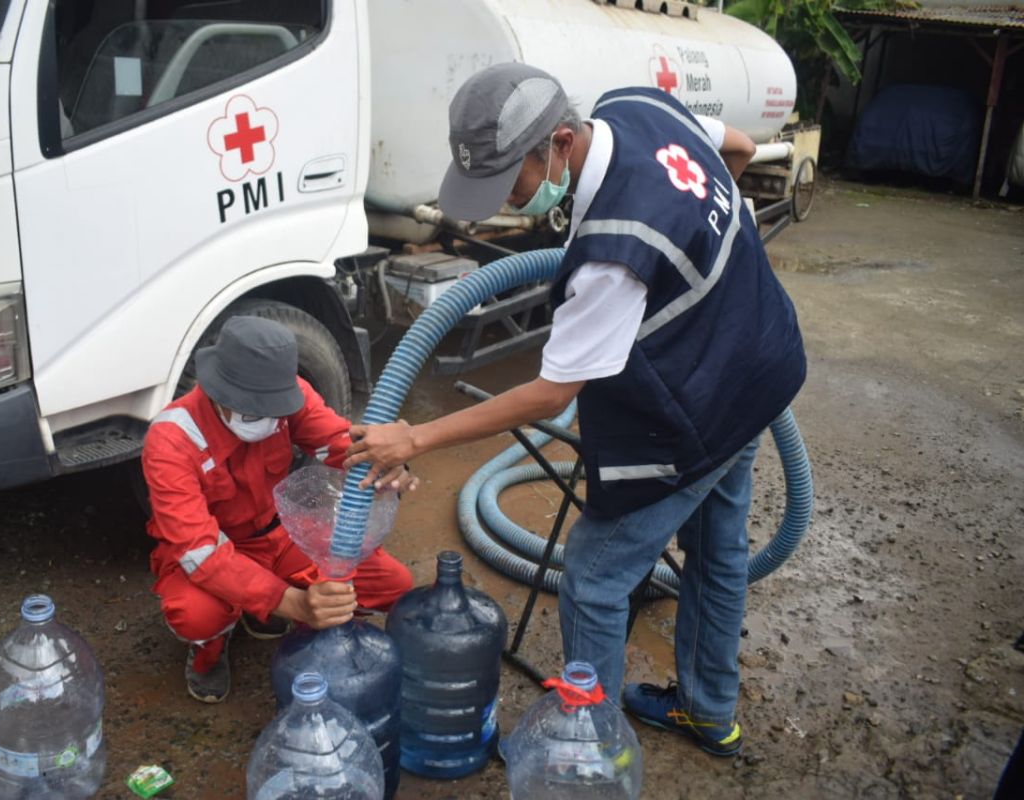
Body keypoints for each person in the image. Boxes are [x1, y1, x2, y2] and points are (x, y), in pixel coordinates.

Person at [345, 63, 806, 756]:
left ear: (559, 142)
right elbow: (736, 147)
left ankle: (593, 755)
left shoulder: (613, 257)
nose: (504, 199)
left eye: (513, 182)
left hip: (706, 406)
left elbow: (551, 392)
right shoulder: (639, 107)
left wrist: (414, 436)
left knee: (593, 578)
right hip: (760, 359)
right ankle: (710, 712)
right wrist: (702, 261)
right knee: (717, 550)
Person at [143, 316, 415, 703]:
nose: (269, 420)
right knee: (197, 614)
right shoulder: (170, 439)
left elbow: (339, 443)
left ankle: (264, 612)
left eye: (274, 411)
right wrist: (296, 604)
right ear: (217, 393)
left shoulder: (286, 394)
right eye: (254, 412)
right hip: (216, 552)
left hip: (281, 535)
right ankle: (209, 654)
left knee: (393, 585)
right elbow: (198, 550)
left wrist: (385, 464)